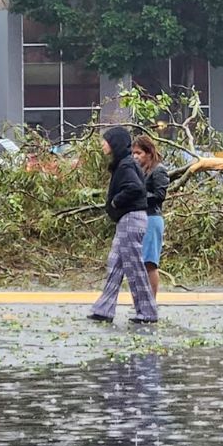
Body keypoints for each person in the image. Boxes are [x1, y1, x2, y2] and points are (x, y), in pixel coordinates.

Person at [88, 127, 158, 324]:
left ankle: (147, 313)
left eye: (106, 141)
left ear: (115, 143)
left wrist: (116, 202)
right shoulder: (125, 163)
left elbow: (135, 188)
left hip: (131, 220)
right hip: (128, 220)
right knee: (115, 266)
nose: (103, 144)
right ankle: (104, 309)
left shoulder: (126, 165)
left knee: (134, 268)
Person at [132, 136, 169, 299]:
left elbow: (160, 195)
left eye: (139, 153)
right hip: (140, 218)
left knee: (150, 263)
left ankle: (151, 301)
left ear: (149, 153)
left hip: (152, 218)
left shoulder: (158, 170)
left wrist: (139, 197)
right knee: (140, 262)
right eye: (133, 153)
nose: (135, 156)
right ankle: (142, 300)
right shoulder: (140, 171)